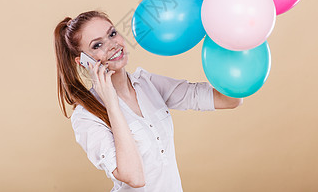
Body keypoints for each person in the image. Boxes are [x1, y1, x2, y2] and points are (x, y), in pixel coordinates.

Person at [53, 10, 243, 191]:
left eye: (112, 34)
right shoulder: (85, 117)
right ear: (83, 62)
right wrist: (111, 102)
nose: (112, 45)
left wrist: (226, 43)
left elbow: (229, 99)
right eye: (97, 45)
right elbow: (134, 178)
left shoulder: (147, 83)